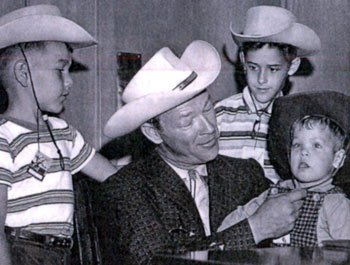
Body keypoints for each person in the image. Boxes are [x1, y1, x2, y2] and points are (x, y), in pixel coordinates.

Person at [92, 40, 306, 265]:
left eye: (207, 108)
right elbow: (157, 261)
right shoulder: (127, 190)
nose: (209, 127)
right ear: (154, 133)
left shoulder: (245, 174)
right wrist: (254, 229)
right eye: (188, 120)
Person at [0, 5, 120, 265]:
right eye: (60, 69)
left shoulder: (63, 133)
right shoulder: (3, 138)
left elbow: (115, 179)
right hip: (21, 250)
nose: (70, 81)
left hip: (62, 253)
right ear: (23, 73)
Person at [215, 5, 321, 183]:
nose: (261, 80)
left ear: (292, 66)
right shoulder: (220, 114)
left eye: (273, 69)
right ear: (242, 61)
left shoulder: (297, 122)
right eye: (253, 67)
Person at [267, 91, 350, 246]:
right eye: (297, 145)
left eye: (316, 145)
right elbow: (240, 222)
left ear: (337, 159)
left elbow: (346, 251)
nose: (303, 152)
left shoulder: (335, 203)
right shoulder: (276, 192)